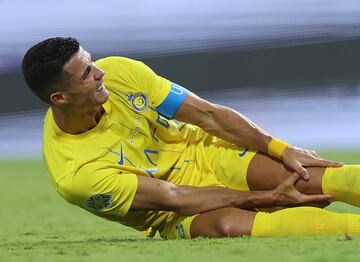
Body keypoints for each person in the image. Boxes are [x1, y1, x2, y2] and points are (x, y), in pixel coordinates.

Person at [21, 37, 360, 239]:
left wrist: (282, 149)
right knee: (230, 225)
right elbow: (176, 198)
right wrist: (267, 197)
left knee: (308, 179)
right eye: (87, 74)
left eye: (92, 62)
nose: (101, 73)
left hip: (203, 153)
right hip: (176, 213)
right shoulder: (76, 174)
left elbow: (207, 115)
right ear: (60, 98)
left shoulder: (123, 74)